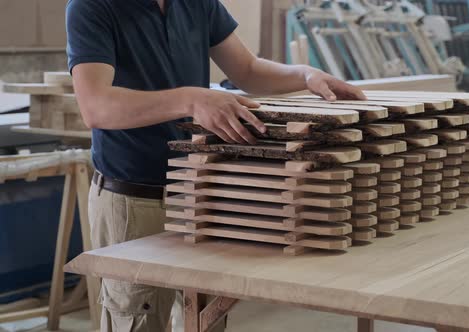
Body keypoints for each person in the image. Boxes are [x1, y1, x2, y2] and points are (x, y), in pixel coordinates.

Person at [66, 0, 366, 331]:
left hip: (198, 192)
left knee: (205, 318)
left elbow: (248, 70)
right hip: (134, 200)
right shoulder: (92, 6)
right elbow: (96, 106)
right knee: (138, 319)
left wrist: (305, 74)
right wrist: (192, 99)